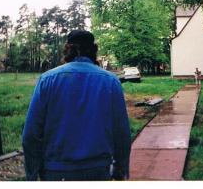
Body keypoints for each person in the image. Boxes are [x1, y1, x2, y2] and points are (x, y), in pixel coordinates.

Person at [22, 30, 131, 181]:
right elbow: (122, 133)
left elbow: (31, 135)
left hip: (56, 172)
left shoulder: (47, 80)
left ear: (68, 49)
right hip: (98, 171)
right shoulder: (111, 81)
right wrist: (121, 168)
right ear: (93, 50)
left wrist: (32, 174)